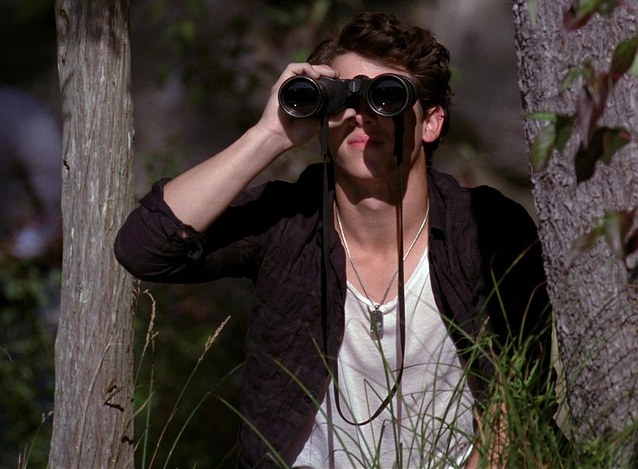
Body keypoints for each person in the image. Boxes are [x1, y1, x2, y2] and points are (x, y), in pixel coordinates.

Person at [115, 12, 552, 468]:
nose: (362, 116)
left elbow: (523, 390)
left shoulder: (485, 226)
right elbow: (145, 248)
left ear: (431, 122)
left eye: (387, 96)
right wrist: (270, 134)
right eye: (343, 97)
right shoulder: (291, 220)